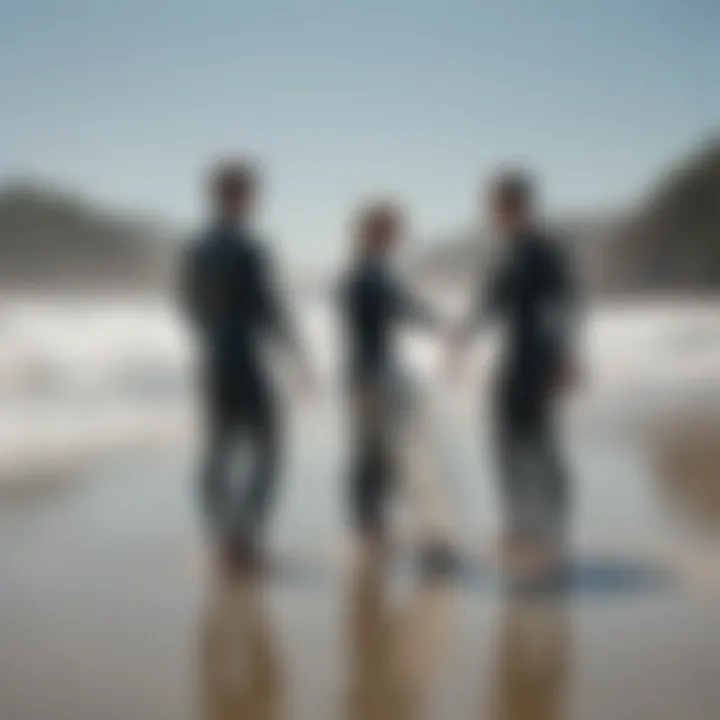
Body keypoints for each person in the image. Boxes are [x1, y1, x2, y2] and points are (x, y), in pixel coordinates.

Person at [181, 159, 310, 572]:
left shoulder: (197, 248)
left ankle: (224, 539)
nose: (255, 201)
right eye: (251, 193)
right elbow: (268, 307)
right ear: (240, 196)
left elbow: (189, 305)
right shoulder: (250, 248)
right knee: (269, 447)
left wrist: (213, 338)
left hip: (213, 357)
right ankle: (244, 539)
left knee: (218, 451)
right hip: (245, 359)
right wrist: (297, 353)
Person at [451, 171, 579, 580]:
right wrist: (463, 335)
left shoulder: (544, 250)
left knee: (540, 446)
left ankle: (554, 533)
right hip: (513, 360)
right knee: (505, 445)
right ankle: (520, 527)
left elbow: (566, 305)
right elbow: (490, 303)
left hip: (539, 360)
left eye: (499, 203)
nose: (492, 211)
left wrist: (563, 356)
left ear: (520, 205)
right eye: (492, 204)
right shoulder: (507, 252)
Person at [339, 200, 454, 572]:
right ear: (372, 233)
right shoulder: (360, 276)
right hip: (369, 376)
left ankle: (381, 530)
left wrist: (443, 328)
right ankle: (373, 532)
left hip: (382, 373)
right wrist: (365, 379)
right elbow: (359, 333)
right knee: (373, 455)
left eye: (395, 231)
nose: (396, 238)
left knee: (390, 453)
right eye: (389, 230)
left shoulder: (379, 273)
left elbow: (407, 308)